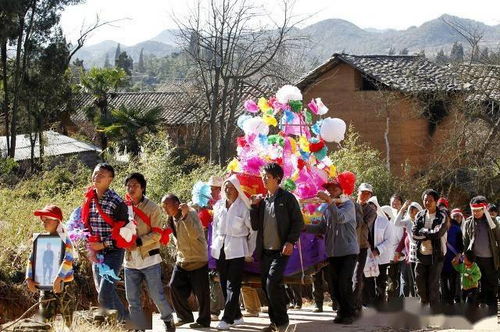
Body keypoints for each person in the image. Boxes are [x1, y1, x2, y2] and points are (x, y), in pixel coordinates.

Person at [250, 163, 304, 332]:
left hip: (281, 251)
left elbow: (298, 222)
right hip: (265, 251)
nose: (264, 179)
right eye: (263, 176)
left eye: (267, 177)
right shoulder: (263, 201)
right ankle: (274, 322)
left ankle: (282, 322)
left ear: (277, 179)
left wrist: (290, 242)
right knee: (268, 287)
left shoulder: (288, 198)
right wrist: (254, 206)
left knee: (272, 283)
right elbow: (255, 225)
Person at [123, 173, 175, 332]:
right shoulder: (124, 207)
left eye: (135, 186)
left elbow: (157, 234)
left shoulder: (153, 208)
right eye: (129, 185)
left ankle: (168, 319)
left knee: (156, 295)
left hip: (150, 259)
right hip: (130, 260)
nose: (131, 189)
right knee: (132, 299)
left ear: (142, 188)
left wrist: (137, 242)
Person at [305, 172, 359, 324]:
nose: (331, 192)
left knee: (344, 282)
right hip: (333, 253)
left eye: (334, 189)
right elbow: (323, 227)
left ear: (341, 190)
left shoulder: (349, 205)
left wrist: (329, 202)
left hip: (348, 252)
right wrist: (304, 227)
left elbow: (340, 218)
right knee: (334, 286)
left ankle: (350, 312)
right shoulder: (328, 208)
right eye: (329, 189)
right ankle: (342, 311)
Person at [81, 163, 131, 321]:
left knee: (104, 295)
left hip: (113, 253)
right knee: (104, 292)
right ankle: (129, 324)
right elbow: (86, 225)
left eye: (101, 175)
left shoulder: (117, 203)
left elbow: (124, 236)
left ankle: (125, 324)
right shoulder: (89, 198)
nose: (96, 177)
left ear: (110, 179)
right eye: (95, 173)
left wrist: (102, 245)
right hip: (97, 253)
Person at [211, 175, 256, 330]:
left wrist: (249, 251)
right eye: (226, 187)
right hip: (220, 248)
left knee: (233, 285)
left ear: (237, 190)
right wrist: (213, 246)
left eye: (231, 187)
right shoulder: (218, 206)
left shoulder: (244, 207)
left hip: (237, 249)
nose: (228, 190)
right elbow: (214, 228)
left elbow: (252, 231)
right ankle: (237, 315)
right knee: (224, 284)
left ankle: (227, 319)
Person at [163, 194, 211, 328]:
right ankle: (185, 316)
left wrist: (185, 216)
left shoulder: (191, 213)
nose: (165, 208)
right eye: (163, 206)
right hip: (182, 260)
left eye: (167, 205)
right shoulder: (171, 219)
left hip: (198, 259)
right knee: (174, 286)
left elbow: (195, 234)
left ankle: (203, 320)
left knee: (201, 293)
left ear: (177, 204)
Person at [26, 205, 75, 326]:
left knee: (68, 319)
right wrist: (29, 279)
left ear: (57, 221)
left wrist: (58, 279)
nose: (44, 222)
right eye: (43, 220)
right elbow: (31, 259)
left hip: (65, 284)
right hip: (45, 285)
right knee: (45, 321)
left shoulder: (65, 240)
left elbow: (68, 260)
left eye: (47, 219)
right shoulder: (40, 240)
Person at [412, 189, 449, 309]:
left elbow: (437, 234)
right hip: (421, 254)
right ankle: (424, 304)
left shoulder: (442, 215)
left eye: (430, 200)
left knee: (433, 284)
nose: (427, 202)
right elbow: (414, 234)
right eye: (425, 200)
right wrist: (427, 233)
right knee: (419, 283)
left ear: (436, 201)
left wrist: (423, 231)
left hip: (436, 255)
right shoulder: (420, 215)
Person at [462, 196, 500, 312]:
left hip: (490, 260)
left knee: (490, 284)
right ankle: (474, 310)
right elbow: (466, 241)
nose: (476, 213)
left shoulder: (492, 222)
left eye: (478, 210)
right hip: (475, 260)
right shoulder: (468, 222)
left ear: (484, 209)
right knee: (473, 285)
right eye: (473, 211)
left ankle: (491, 310)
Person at [363, 196, 395, 306]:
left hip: (381, 257)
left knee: (381, 282)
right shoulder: (363, 221)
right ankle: (371, 304)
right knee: (368, 281)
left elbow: (389, 240)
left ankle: (381, 304)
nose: (371, 210)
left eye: (373, 207)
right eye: (368, 207)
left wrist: (377, 250)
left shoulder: (384, 222)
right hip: (367, 256)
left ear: (377, 208)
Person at [354, 183, 377, 313]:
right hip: (347, 245)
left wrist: (355, 208)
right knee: (346, 277)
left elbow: (362, 224)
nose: (364, 195)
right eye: (363, 192)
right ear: (358, 192)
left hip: (361, 246)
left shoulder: (371, 211)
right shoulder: (349, 204)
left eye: (368, 194)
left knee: (357, 276)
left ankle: (356, 304)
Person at [393, 201, 423, 297]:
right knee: (412, 278)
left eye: (416, 210)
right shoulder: (408, 222)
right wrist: (402, 209)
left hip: (422, 251)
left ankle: (421, 298)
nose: (413, 212)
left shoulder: (423, 221)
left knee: (420, 277)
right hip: (412, 252)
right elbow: (396, 223)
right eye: (411, 210)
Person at [440, 205, 464, 305]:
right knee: (443, 282)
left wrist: (458, 256)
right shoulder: (438, 229)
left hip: (454, 260)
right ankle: (446, 302)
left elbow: (461, 245)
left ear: (448, 217)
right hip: (441, 261)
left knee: (454, 282)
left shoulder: (456, 229)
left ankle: (453, 301)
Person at [387, 194, 405, 300]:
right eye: (393, 203)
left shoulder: (405, 218)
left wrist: (400, 251)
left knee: (404, 280)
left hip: (403, 254)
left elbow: (405, 237)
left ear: (401, 205)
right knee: (391, 279)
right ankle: (391, 301)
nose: (395, 205)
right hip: (390, 255)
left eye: (397, 203)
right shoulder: (386, 218)